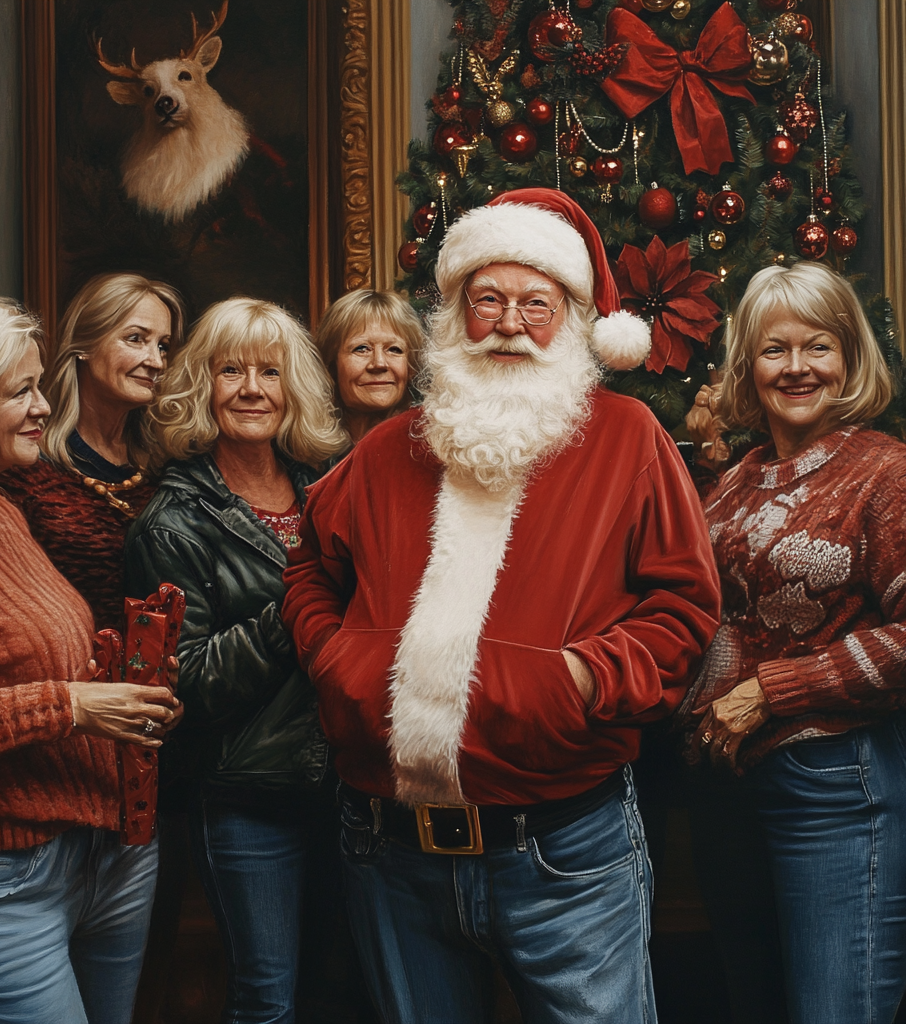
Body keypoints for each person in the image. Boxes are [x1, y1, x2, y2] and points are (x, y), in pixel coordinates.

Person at [282, 187, 721, 1024]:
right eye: (487, 300)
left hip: (563, 849)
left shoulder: (629, 439)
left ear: (575, 320)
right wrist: (338, 662)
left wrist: (579, 682)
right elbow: (308, 569)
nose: (509, 323)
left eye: (536, 304)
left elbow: (684, 608)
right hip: (388, 846)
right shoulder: (387, 449)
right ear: (455, 312)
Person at [0, 289, 183, 1024]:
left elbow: (8, 662)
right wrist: (73, 705)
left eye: (40, 385)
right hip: (1, 873)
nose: (46, 407)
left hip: (104, 853)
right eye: (20, 391)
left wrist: (123, 695)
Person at [680, 261, 906, 1024]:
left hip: (832, 782)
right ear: (748, 364)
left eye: (819, 346)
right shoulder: (734, 481)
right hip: (725, 791)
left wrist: (771, 690)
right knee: (757, 1008)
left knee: (834, 1010)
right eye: (775, 349)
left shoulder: (885, 472)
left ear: (849, 358)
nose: (798, 367)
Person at [124, 297, 348, 1024]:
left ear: (295, 389)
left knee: (343, 989)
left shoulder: (328, 489)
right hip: (249, 795)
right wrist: (299, 607)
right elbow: (184, 681)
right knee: (268, 997)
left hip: (350, 784)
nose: (252, 389)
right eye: (230, 371)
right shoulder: (174, 518)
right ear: (201, 386)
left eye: (270, 372)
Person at [0, 272, 184, 634]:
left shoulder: (167, 464)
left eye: (162, 345)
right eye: (136, 339)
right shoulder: (25, 465)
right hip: (70, 680)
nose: (156, 361)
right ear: (83, 344)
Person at [314, 288, 425, 446]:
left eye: (394, 349)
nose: (379, 363)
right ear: (331, 364)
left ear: (411, 367)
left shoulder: (431, 447)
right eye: (361, 349)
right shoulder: (304, 462)